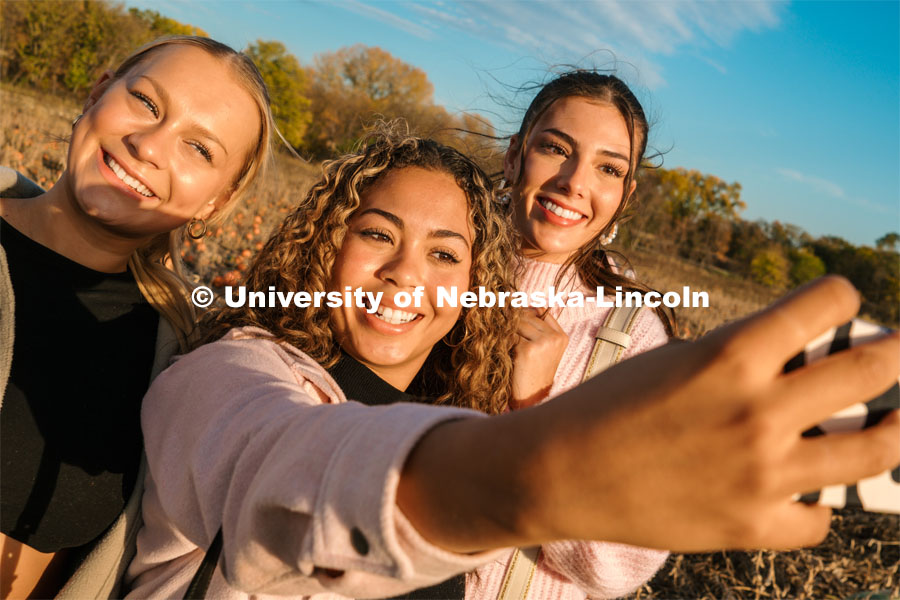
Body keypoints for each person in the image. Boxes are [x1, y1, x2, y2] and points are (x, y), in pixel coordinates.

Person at [125, 128, 900, 600]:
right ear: (323, 244)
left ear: (474, 289)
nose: (405, 274)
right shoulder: (235, 372)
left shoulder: (457, 396)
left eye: (444, 254)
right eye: (374, 235)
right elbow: (277, 469)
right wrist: (531, 475)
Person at [0, 36, 274, 599]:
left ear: (215, 202)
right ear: (99, 92)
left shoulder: (181, 355)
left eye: (200, 149)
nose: (149, 145)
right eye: (147, 103)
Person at [468, 71, 677, 599]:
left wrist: (535, 412)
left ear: (625, 196)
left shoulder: (631, 338)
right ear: (515, 155)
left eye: (608, 167)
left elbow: (618, 563)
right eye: (557, 148)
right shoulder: (434, 273)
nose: (574, 181)